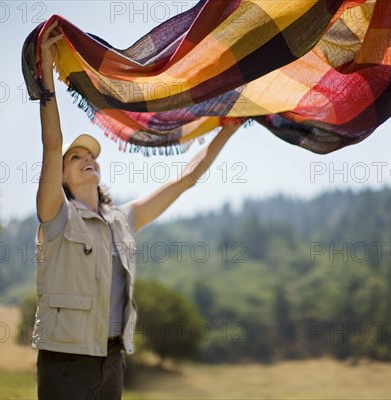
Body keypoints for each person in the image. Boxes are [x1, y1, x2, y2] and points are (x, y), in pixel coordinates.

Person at [32, 21, 240, 400]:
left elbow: (185, 179)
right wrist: (45, 71)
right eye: (75, 158)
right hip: (65, 359)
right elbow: (52, 144)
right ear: (61, 177)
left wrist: (227, 129)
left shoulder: (121, 221)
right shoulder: (57, 215)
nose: (85, 159)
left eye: (90, 155)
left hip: (111, 360)